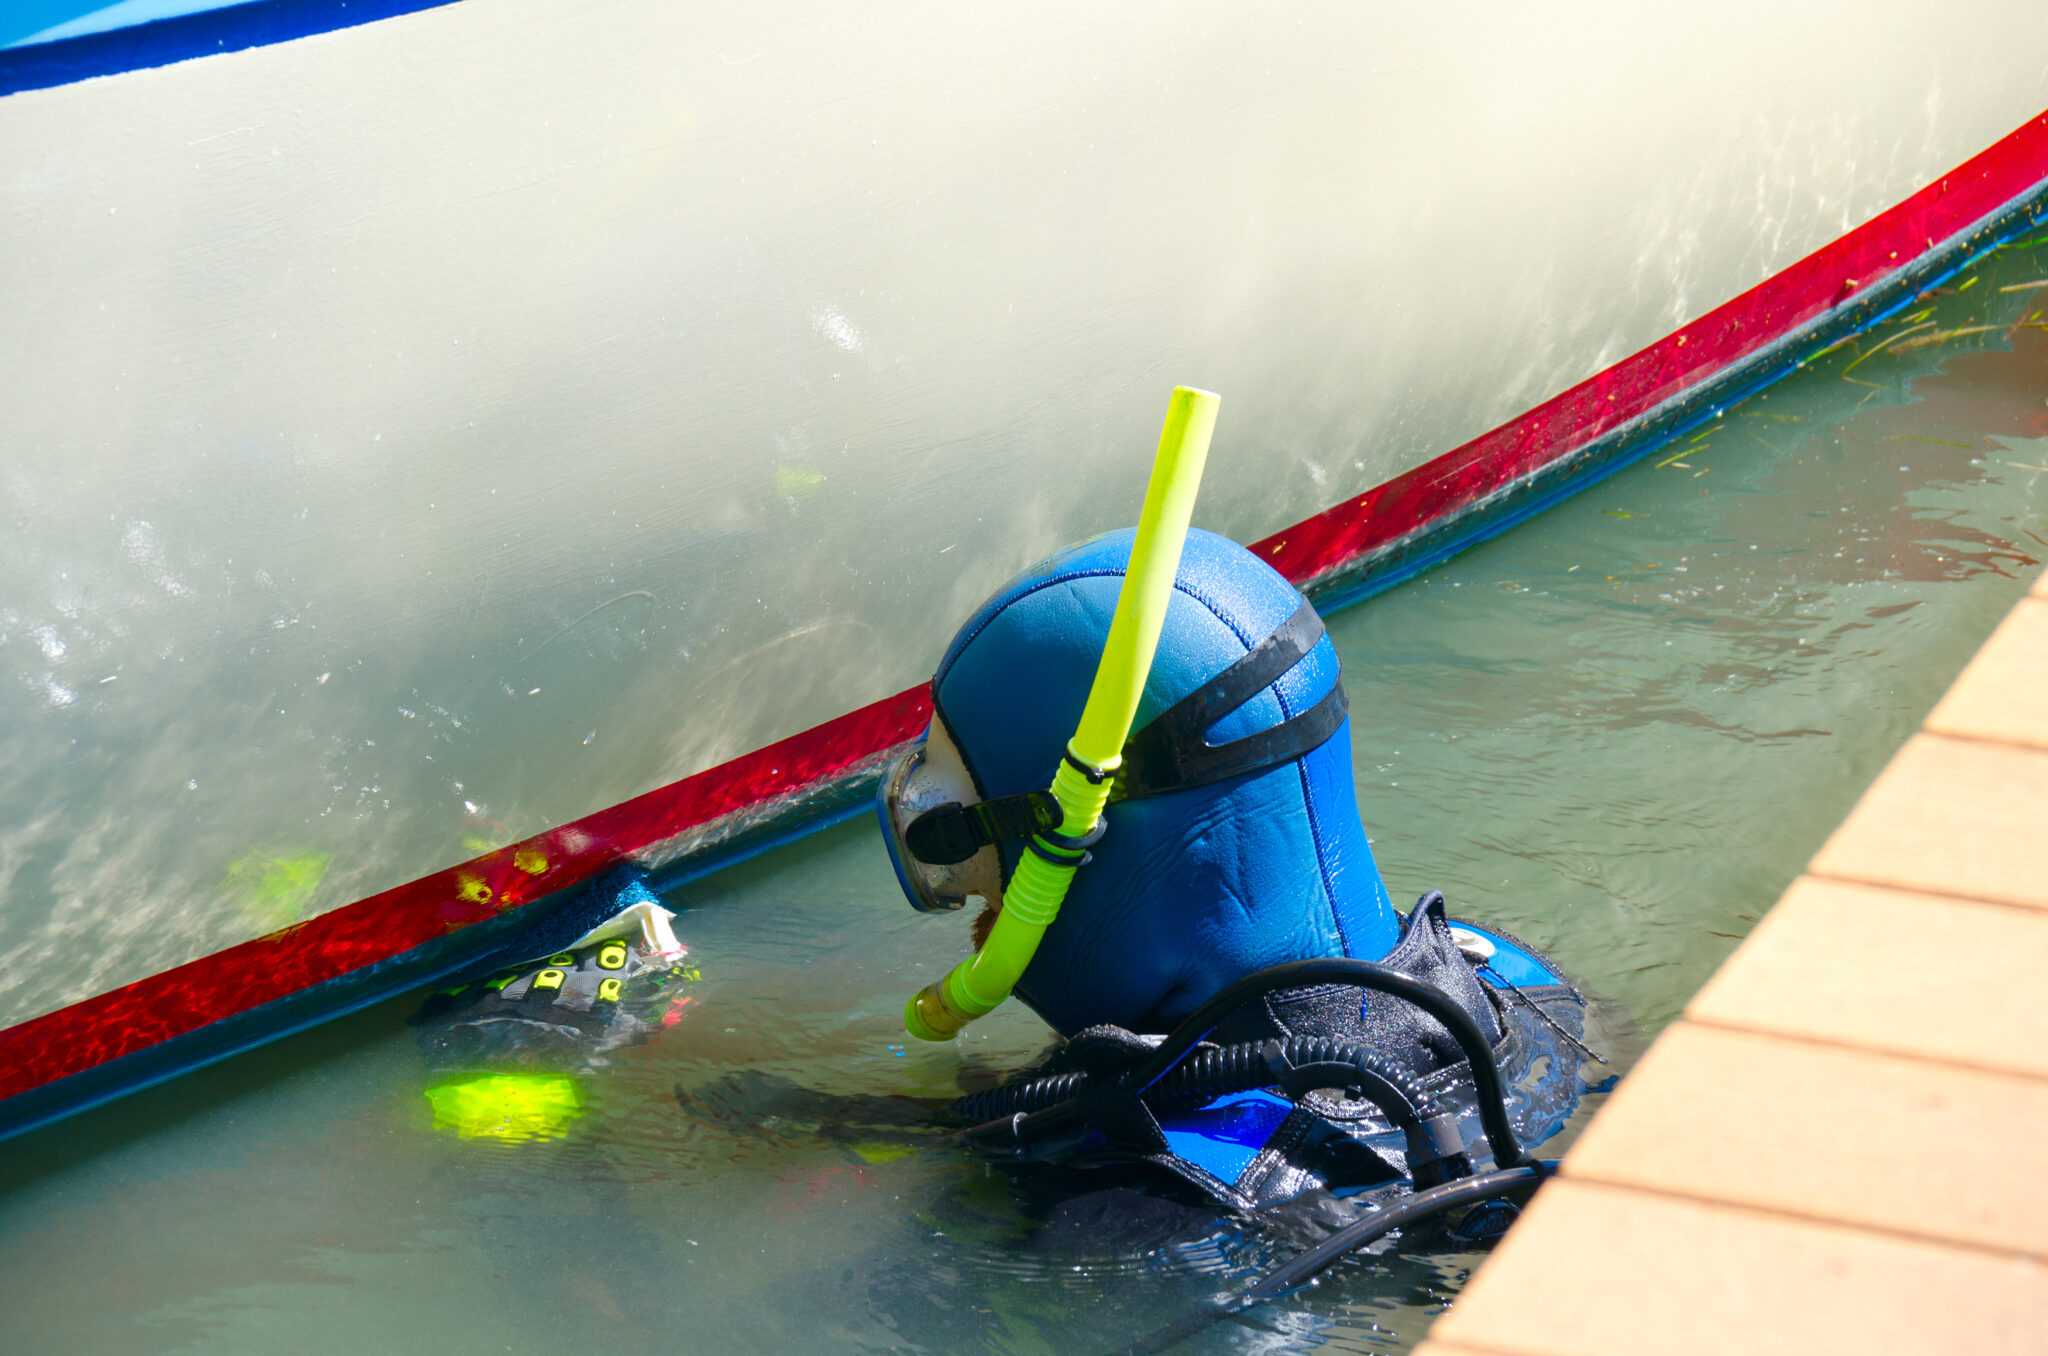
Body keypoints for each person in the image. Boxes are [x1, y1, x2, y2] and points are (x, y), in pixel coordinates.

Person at [878, 527, 1593, 1210]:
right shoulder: (1515, 985)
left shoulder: (1133, 1194)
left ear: (1084, 838)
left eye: (970, 867)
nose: (977, 915)